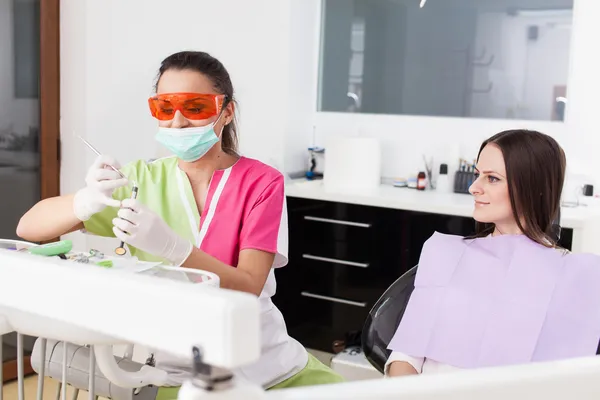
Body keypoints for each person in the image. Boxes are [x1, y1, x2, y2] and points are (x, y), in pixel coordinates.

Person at [17, 51, 344, 397]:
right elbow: (29, 227)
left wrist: (174, 249)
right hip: (181, 375)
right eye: (164, 107)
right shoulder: (141, 180)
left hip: (269, 364)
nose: (177, 121)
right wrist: (84, 201)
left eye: (195, 107)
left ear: (226, 110)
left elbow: (247, 287)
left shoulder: (262, 183)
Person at [385, 129, 600, 377]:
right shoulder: (446, 256)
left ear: (532, 187)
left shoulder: (573, 278)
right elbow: (405, 356)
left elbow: (566, 381)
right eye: (478, 175)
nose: (473, 187)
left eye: (492, 178)